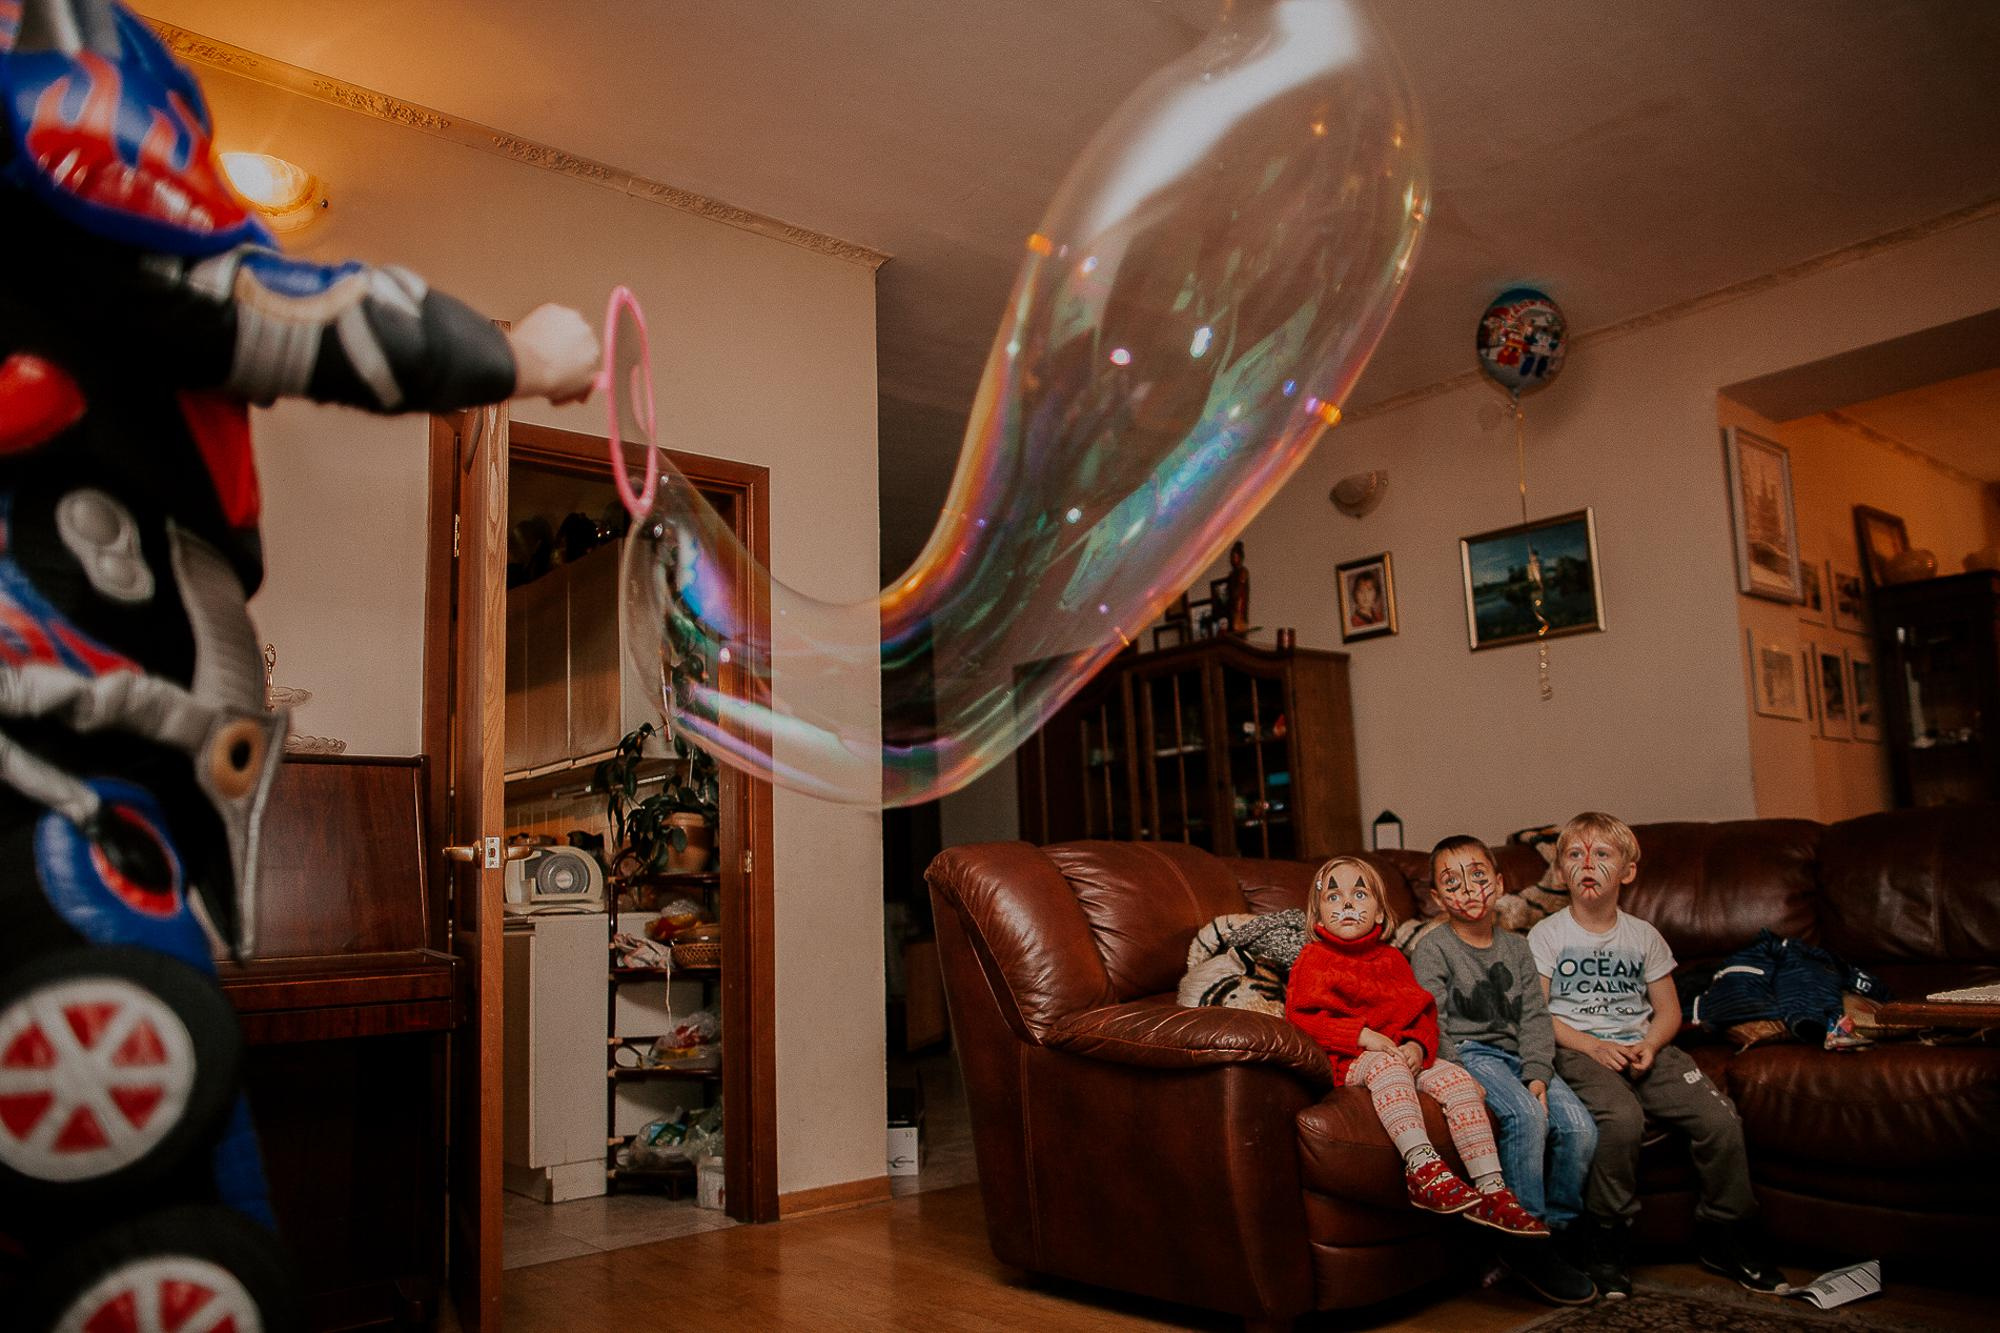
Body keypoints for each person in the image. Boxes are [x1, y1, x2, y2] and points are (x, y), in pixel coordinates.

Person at [0, 1, 598, 1323]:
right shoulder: (57, 105)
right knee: (124, 1004)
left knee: (151, 1157)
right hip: (66, 715)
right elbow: (233, 295)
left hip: (117, 725)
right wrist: (518, 351)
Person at [1528, 813, 1787, 1300]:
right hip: (1578, 1047)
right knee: (1621, 1119)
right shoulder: (1546, 935)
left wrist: (1650, 1043)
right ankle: (1606, 1240)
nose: (1588, 864)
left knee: (1720, 1118)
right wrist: (1592, 1046)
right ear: (1561, 872)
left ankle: (1726, 1233)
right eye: (1575, 855)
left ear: (1627, 871)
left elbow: (1667, 1011)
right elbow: (1538, 1016)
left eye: (1602, 854)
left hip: (1641, 1044)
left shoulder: (1643, 936)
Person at [1285, 856, 1547, 1238]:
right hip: (1348, 1061)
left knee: (1457, 1079)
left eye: (1360, 894)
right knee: (1386, 1066)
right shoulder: (1314, 959)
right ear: (1319, 917)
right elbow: (1302, 1017)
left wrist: (1415, 1046)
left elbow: (1421, 1012)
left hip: (1398, 1054)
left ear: (1378, 914)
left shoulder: (1391, 959)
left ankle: (1492, 1188)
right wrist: (1362, 1036)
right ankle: (1422, 1167)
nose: (1346, 903)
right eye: (1334, 896)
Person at [1413, 836, 1596, 1305]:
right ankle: (1524, 1239)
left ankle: (1557, 1232)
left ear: (1498, 883)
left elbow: (1535, 1017)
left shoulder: (1517, 947)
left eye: (1478, 876)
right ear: (1437, 898)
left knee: (1579, 1127)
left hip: (1519, 1054)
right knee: (1527, 1117)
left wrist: (1537, 1073)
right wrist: (1457, 1073)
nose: (1468, 890)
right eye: (1451, 882)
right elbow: (1429, 1019)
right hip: (1471, 1054)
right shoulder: (1434, 949)